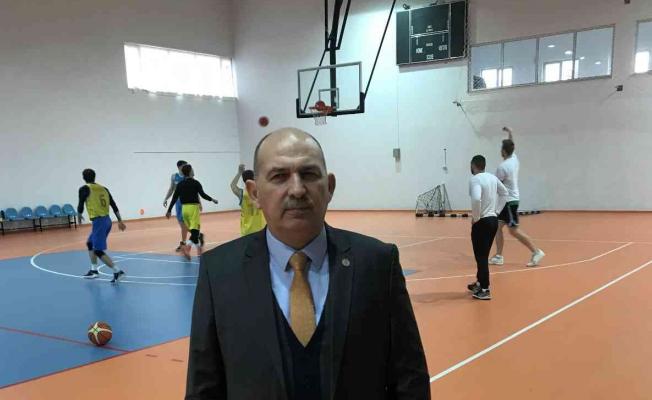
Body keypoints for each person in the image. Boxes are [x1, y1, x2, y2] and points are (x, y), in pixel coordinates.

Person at [185, 128, 430, 400]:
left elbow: (410, 381)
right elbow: (204, 389)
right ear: (254, 193)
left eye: (309, 174)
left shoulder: (377, 264)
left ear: (330, 187)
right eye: (279, 176)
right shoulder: (218, 272)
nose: (297, 189)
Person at [489, 127, 545, 267]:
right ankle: (499, 256)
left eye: (501, 149)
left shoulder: (502, 167)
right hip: (508, 201)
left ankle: (536, 251)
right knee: (497, 227)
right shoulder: (514, 159)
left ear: (503, 151)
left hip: (509, 202)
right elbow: (511, 145)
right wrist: (510, 133)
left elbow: (496, 186)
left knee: (513, 231)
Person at [467, 156, 508, 300]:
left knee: (481, 257)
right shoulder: (492, 178)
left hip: (482, 222)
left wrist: (476, 217)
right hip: (493, 221)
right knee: (483, 255)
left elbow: (476, 198)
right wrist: (497, 211)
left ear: (473, 165)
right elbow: (504, 193)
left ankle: (485, 289)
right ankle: (480, 282)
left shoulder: (475, 179)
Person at [77, 169, 126, 284]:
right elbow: (114, 205)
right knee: (90, 243)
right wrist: (120, 220)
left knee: (98, 250)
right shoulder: (104, 189)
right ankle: (94, 271)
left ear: (83, 178)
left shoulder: (84, 188)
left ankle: (118, 271)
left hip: (99, 222)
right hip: (107, 220)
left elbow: (81, 203)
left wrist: (79, 215)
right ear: (94, 177)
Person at [166, 164, 218, 260]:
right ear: (190, 172)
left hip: (184, 209)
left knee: (194, 230)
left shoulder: (180, 184)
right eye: (192, 169)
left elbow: (174, 198)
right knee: (195, 231)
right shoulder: (196, 183)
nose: (193, 171)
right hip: (193, 208)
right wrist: (212, 199)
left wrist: (169, 210)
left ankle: (199, 250)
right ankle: (187, 247)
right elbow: (203, 195)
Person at [230, 163, 266, 235]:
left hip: (247, 231)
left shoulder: (241, 193)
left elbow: (232, 185)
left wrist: (239, 173)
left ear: (243, 180)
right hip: (261, 229)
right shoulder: (262, 191)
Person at [164, 160, 189, 252]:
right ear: (179, 167)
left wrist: (198, 202)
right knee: (182, 224)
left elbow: (195, 189)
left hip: (187, 203)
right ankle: (196, 235)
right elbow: (171, 189)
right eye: (184, 165)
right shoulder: (174, 176)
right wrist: (166, 198)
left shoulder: (188, 176)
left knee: (184, 224)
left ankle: (184, 243)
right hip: (178, 203)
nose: (186, 167)